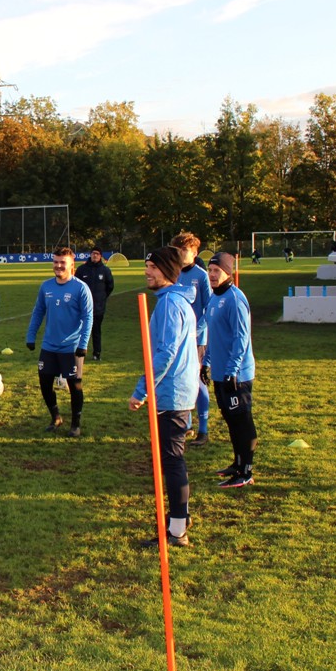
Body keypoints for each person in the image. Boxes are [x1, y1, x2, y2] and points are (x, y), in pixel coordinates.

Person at [128, 247, 199, 548]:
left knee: (172, 462)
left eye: (153, 267)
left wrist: (143, 389)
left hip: (171, 395)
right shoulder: (173, 301)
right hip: (175, 392)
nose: (147, 272)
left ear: (167, 271)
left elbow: (166, 353)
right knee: (171, 460)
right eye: (146, 266)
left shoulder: (171, 304)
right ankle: (180, 517)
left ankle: (177, 530)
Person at [26, 246, 94, 436]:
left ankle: (76, 424)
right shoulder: (46, 286)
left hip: (71, 348)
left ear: (72, 265)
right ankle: (55, 416)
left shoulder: (81, 288)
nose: (58, 266)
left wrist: (83, 344)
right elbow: (38, 311)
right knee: (45, 383)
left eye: (62, 262)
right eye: (55, 262)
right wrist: (31, 335)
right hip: (49, 346)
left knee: (75, 385)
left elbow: (88, 317)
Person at [205, 252, 259, 488]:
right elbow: (212, 334)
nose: (212, 275)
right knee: (230, 419)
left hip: (236, 374)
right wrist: (206, 362)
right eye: (210, 270)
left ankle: (246, 471)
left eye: (217, 270)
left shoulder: (235, 299)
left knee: (241, 420)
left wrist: (232, 370)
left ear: (228, 272)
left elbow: (241, 338)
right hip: (219, 371)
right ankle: (237, 463)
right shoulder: (214, 298)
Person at [170, 232, 212, 447]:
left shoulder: (201, 276)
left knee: (196, 381)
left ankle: (203, 430)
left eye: (183, 250)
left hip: (196, 339)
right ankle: (186, 425)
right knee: (180, 380)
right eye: (176, 250)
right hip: (177, 338)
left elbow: (209, 308)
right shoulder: (173, 274)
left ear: (194, 253)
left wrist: (196, 330)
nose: (179, 254)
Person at [75, 247, 115, 361]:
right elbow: (75, 285)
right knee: (79, 329)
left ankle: (96, 353)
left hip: (98, 307)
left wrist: (102, 298)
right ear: (90, 255)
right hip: (82, 307)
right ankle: (78, 351)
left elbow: (110, 286)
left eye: (97, 254)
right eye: (93, 254)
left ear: (100, 256)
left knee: (96, 330)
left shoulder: (105, 270)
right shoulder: (82, 269)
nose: (95, 256)